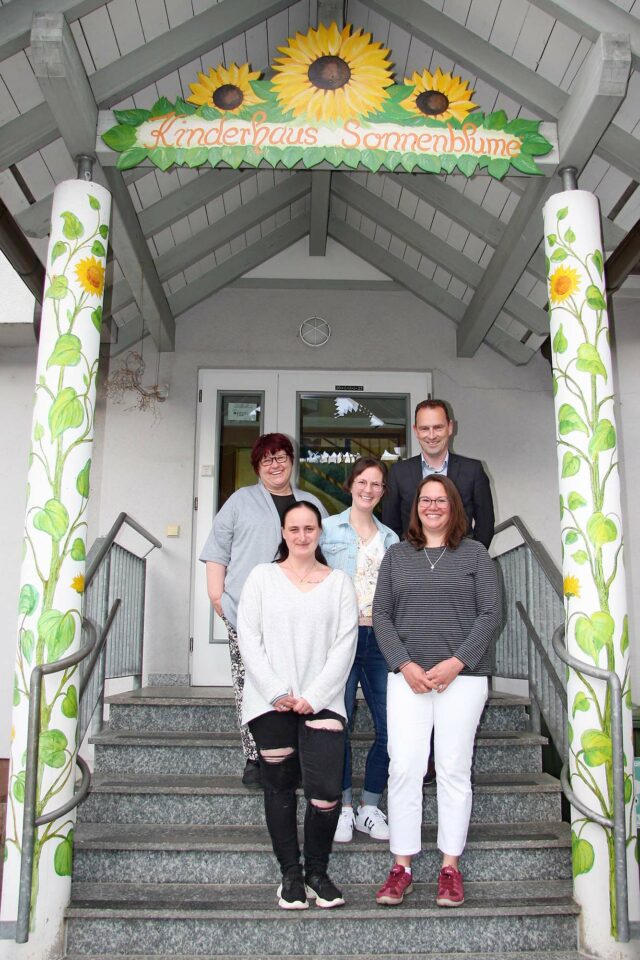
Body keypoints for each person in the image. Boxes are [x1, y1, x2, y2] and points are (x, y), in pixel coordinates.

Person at [373, 475, 501, 908]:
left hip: (462, 680)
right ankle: (402, 867)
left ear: (453, 506)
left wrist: (456, 662)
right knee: (404, 768)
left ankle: (449, 868)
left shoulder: (476, 554)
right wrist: (405, 664)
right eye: (425, 500)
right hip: (407, 679)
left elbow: (490, 614)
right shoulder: (396, 556)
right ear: (416, 508)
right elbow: (381, 616)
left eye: (440, 500)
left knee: (452, 769)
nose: (432, 506)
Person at [236, 501, 358, 910]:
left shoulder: (339, 583)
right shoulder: (262, 577)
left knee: (325, 795)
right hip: (270, 700)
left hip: (323, 700)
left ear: (320, 533)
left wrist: (314, 697)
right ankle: (290, 874)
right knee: (280, 787)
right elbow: (248, 637)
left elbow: (345, 645)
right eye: (294, 529)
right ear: (283, 533)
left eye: (309, 528)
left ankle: (317, 873)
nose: (302, 536)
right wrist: (275, 691)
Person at [199, 433, 327, 787]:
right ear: (257, 466)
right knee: (251, 684)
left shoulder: (310, 502)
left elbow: (326, 552)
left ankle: (295, 754)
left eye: (281, 457)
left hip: (301, 614)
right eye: (267, 459)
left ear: (292, 461)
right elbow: (217, 549)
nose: (275, 465)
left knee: (298, 681)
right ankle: (255, 757)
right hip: (247, 613)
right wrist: (217, 597)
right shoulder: (240, 501)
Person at [320, 457, 398, 843]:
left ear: (383, 491)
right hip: (340, 638)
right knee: (338, 723)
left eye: (376, 484)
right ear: (350, 485)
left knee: (391, 726)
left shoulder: (391, 539)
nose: (368, 489)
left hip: (380, 639)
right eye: (362, 482)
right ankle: (344, 807)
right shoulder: (326, 530)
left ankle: (370, 806)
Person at [382, 399, 494, 549]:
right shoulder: (398, 473)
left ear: (450, 427)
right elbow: (390, 526)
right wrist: (404, 558)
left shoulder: (473, 471)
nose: (431, 435)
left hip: (460, 560)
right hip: (413, 560)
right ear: (416, 431)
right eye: (424, 428)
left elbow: (485, 524)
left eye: (438, 427)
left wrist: (472, 557)